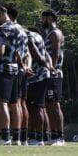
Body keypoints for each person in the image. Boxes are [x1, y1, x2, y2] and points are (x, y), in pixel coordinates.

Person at [0, 5, 21, 145]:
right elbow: (18, 52)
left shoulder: (2, 29)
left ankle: (5, 137)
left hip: (3, 69)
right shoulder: (17, 28)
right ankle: (17, 139)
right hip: (14, 68)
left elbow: (0, 52)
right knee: (14, 103)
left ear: (0, 14)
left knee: (2, 102)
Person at [5, 4, 32, 146]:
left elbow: (15, 51)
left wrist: (22, 65)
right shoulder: (22, 30)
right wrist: (27, 66)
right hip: (23, 69)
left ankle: (16, 138)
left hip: (15, 68)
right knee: (22, 103)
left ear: (8, 15)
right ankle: (23, 137)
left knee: (14, 104)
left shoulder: (11, 29)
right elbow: (27, 52)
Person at [42, 10, 65, 146]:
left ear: (50, 18)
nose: (42, 21)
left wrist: (52, 69)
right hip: (48, 73)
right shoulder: (49, 33)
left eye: (43, 18)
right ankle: (54, 135)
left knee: (55, 104)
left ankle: (60, 137)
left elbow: (56, 53)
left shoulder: (55, 33)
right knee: (49, 105)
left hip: (54, 73)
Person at [26, 27, 51, 146]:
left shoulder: (28, 36)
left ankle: (39, 138)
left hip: (38, 76)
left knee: (37, 107)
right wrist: (50, 67)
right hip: (42, 75)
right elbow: (47, 55)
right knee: (40, 107)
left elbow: (37, 55)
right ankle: (44, 136)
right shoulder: (39, 37)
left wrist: (42, 62)